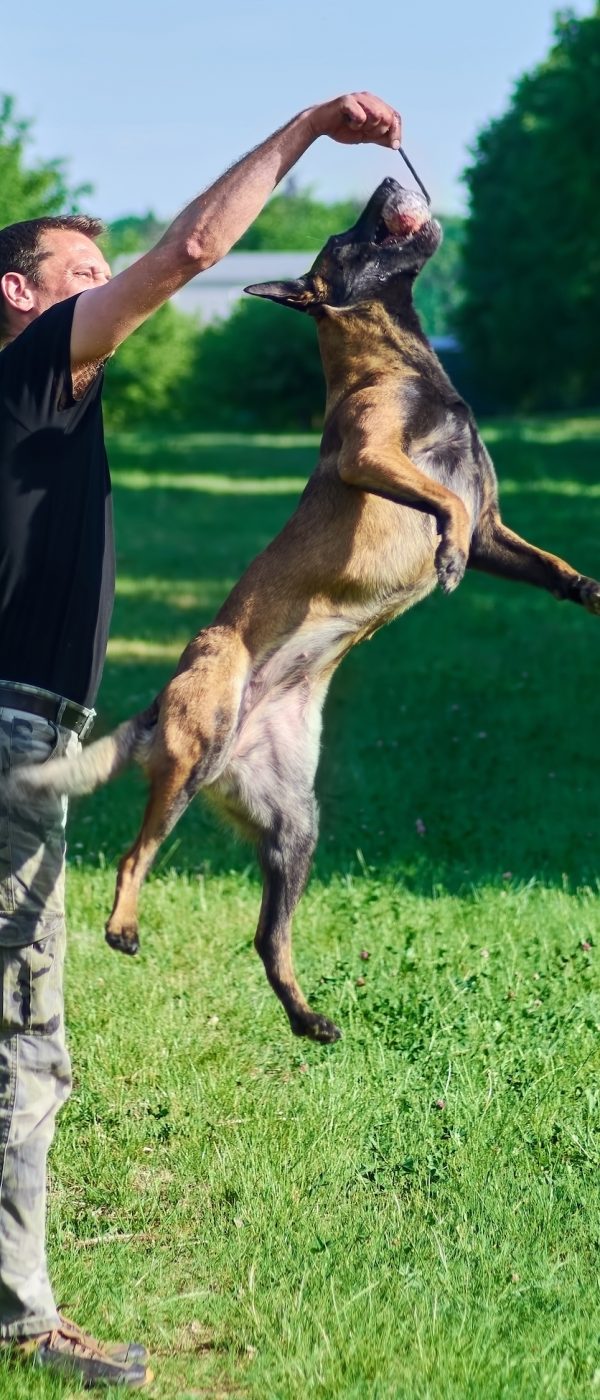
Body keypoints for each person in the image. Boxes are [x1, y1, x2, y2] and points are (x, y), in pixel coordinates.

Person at [0, 93, 402, 1388]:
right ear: (21, 294)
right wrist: (300, 133)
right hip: (15, 738)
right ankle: (18, 1320)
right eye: (77, 275)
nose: (104, 289)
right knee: (21, 1044)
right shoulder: (29, 364)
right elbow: (188, 256)